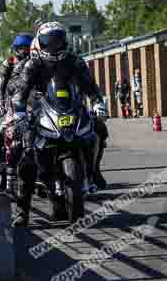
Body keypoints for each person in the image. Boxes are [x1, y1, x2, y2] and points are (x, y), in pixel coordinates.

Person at [9, 22, 108, 227]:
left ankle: (93, 172)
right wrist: (19, 112)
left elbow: (91, 87)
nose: (54, 45)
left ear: (65, 40)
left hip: (72, 109)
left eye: (58, 40)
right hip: (40, 112)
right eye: (48, 41)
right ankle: (22, 211)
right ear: (40, 42)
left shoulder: (75, 61)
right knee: (25, 151)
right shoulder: (33, 64)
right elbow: (20, 92)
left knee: (97, 129)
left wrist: (98, 103)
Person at [0, 33, 34, 193]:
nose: (25, 51)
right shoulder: (10, 62)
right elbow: (0, 85)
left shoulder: (37, 62)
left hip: (35, 105)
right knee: (2, 133)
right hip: (13, 105)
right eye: (21, 48)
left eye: (28, 47)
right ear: (16, 48)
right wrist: (0, 103)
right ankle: (1, 169)